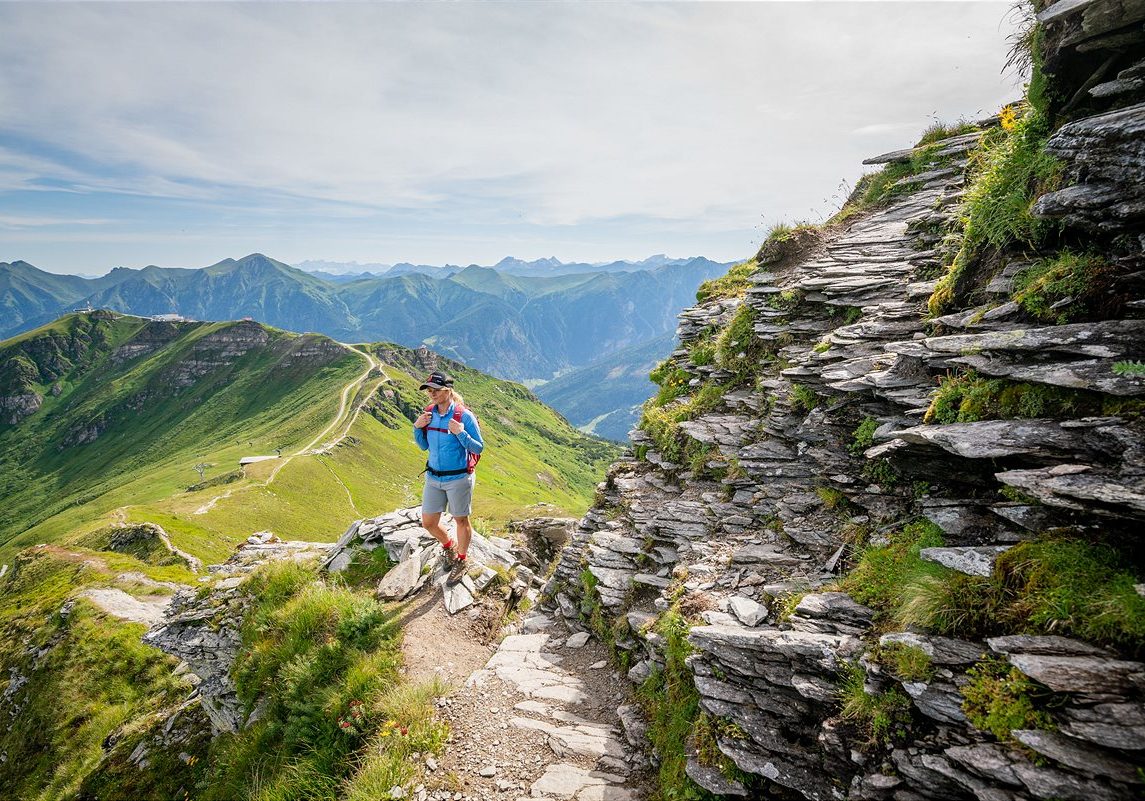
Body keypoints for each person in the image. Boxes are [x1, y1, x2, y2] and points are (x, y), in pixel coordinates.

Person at [413, 370, 484, 585]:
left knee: (461, 520)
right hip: (433, 477)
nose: (432, 394)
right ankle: (448, 546)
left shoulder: (463, 416)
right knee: (428, 522)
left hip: (458, 478)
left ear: (448, 390)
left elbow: (479, 447)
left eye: (436, 390)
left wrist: (460, 433)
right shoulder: (428, 414)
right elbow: (424, 445)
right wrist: (417, 428)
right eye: (429, 390)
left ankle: (461, 559)